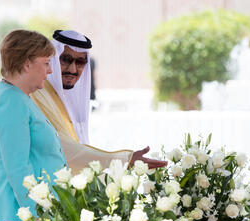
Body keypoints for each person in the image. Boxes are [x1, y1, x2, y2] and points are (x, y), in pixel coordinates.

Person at [30, 30, 167, 173]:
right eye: (65, 60)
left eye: (80, 62)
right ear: (52, 59)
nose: (73, 69)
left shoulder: (63, 96)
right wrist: (124, 160)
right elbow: (62, 149)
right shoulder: (38, 94)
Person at [0, 30, 67, 221]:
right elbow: (17, 167)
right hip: (22, 220)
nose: (50, 71)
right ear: (27, 63)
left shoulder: (18, 97)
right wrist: (37, 216)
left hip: (27, 217)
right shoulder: (11, 101)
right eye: (46, 63)